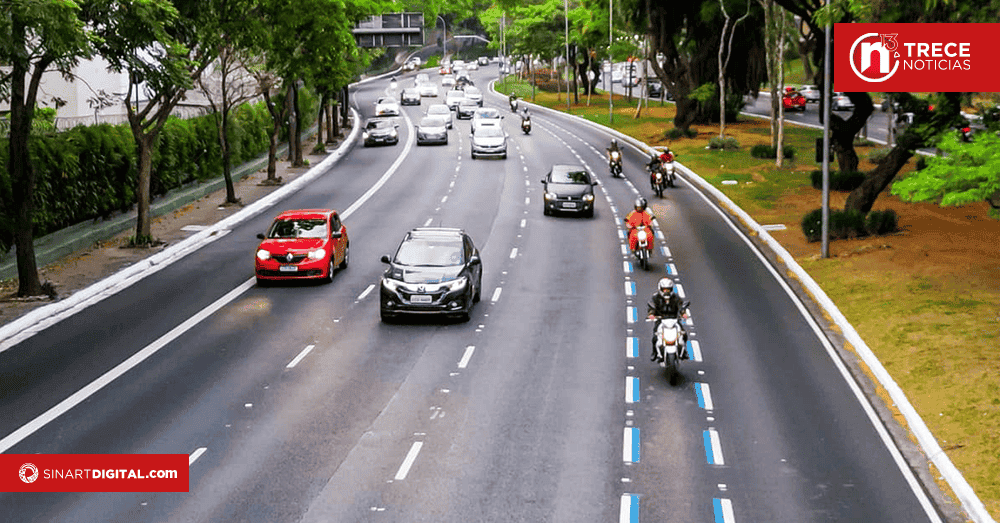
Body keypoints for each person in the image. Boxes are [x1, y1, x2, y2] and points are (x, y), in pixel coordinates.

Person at [647, 277, 689, 362]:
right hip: (660, 319)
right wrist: (651, 315)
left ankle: (684, 351)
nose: (666, 292)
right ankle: (654, 353)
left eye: (668, 290)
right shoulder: (655, 298)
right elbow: (651, 307)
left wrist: (683, 314)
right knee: (655, 337)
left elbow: (681, 307)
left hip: (674, 319)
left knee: (684, 335)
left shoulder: (676, 297)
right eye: (665, 289)